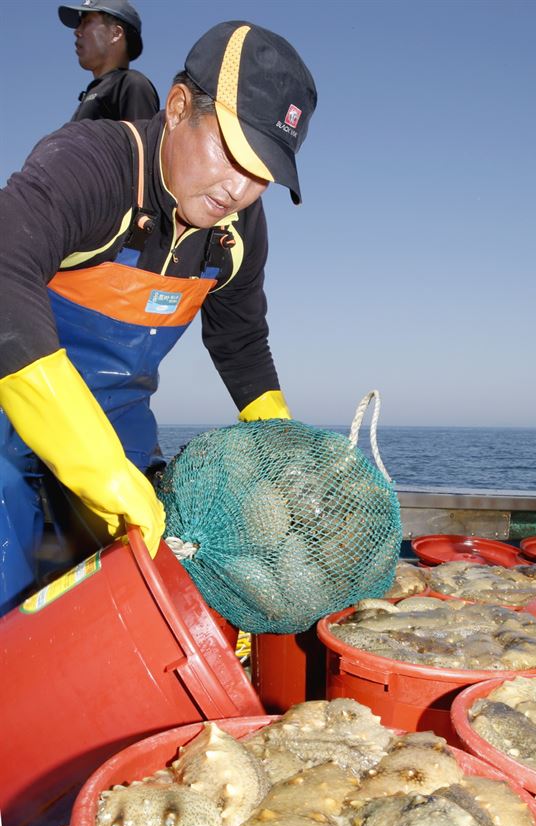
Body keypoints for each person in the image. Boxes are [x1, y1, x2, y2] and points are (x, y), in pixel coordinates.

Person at [0, 20, 317, 613]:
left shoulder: (237, 227)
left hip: (120, 430)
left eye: (263, 173)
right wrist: (97, 470)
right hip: (8, 421)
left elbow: (241, 340)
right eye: (232, 150)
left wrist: (283, 451)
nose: (239, 189)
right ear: (176, 108)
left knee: (134, 606)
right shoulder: (91, 163)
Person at [59, 0, 159, 121]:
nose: (77, 31)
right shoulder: (91, 94)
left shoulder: (131, 85)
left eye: (87, 22)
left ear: (116, 34)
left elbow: (141, 139)